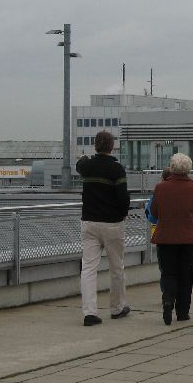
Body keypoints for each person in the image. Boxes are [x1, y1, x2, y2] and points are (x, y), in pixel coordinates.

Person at [76, 131, 131, 327]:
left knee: (88, 269)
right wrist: (123, 213)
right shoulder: (116, 169)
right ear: (112, 146)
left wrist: (85, 156)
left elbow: (80, 164)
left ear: (95, 146)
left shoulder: (87, 166)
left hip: (89, 223)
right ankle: (117, 307)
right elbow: (123, 198)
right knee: (116, 267)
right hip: (112, 224)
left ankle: (90, 312)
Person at [150, 153, 193, 325]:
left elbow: (154, 212)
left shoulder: (160, 187)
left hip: (165, 239)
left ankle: (168, 300)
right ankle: (183, 312)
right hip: (189, 241)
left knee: (168, 273)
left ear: (172, 168)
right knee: (186, 276)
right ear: (188, 169)